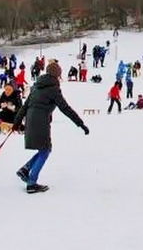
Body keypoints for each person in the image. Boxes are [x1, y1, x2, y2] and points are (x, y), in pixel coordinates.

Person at [13, 61, 89, 194]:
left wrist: (17, 123)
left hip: (31, 121)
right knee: (45, 150)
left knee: (43, 150)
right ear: (57, 75)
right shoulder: (53, 89)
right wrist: (80, 123)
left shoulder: (36, 87)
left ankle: (25, 169)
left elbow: (25, 106)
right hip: (41, 122)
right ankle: (31, 183)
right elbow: (65, 108)